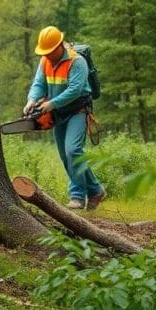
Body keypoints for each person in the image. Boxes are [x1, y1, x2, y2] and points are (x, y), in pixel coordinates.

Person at [24, 25, 105, 210]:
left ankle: (77, 196)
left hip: (78, 111)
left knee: (72, 150)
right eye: (45, 51)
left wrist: (50, 104)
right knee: (65, 155)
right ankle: (96, 190)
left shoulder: (77, 62)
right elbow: (39, 83)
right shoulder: (45, 61)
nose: (48, 55)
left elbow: (75, 90)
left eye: (50, 51)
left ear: (60, 45)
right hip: (58, 113)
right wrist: (31, 100)